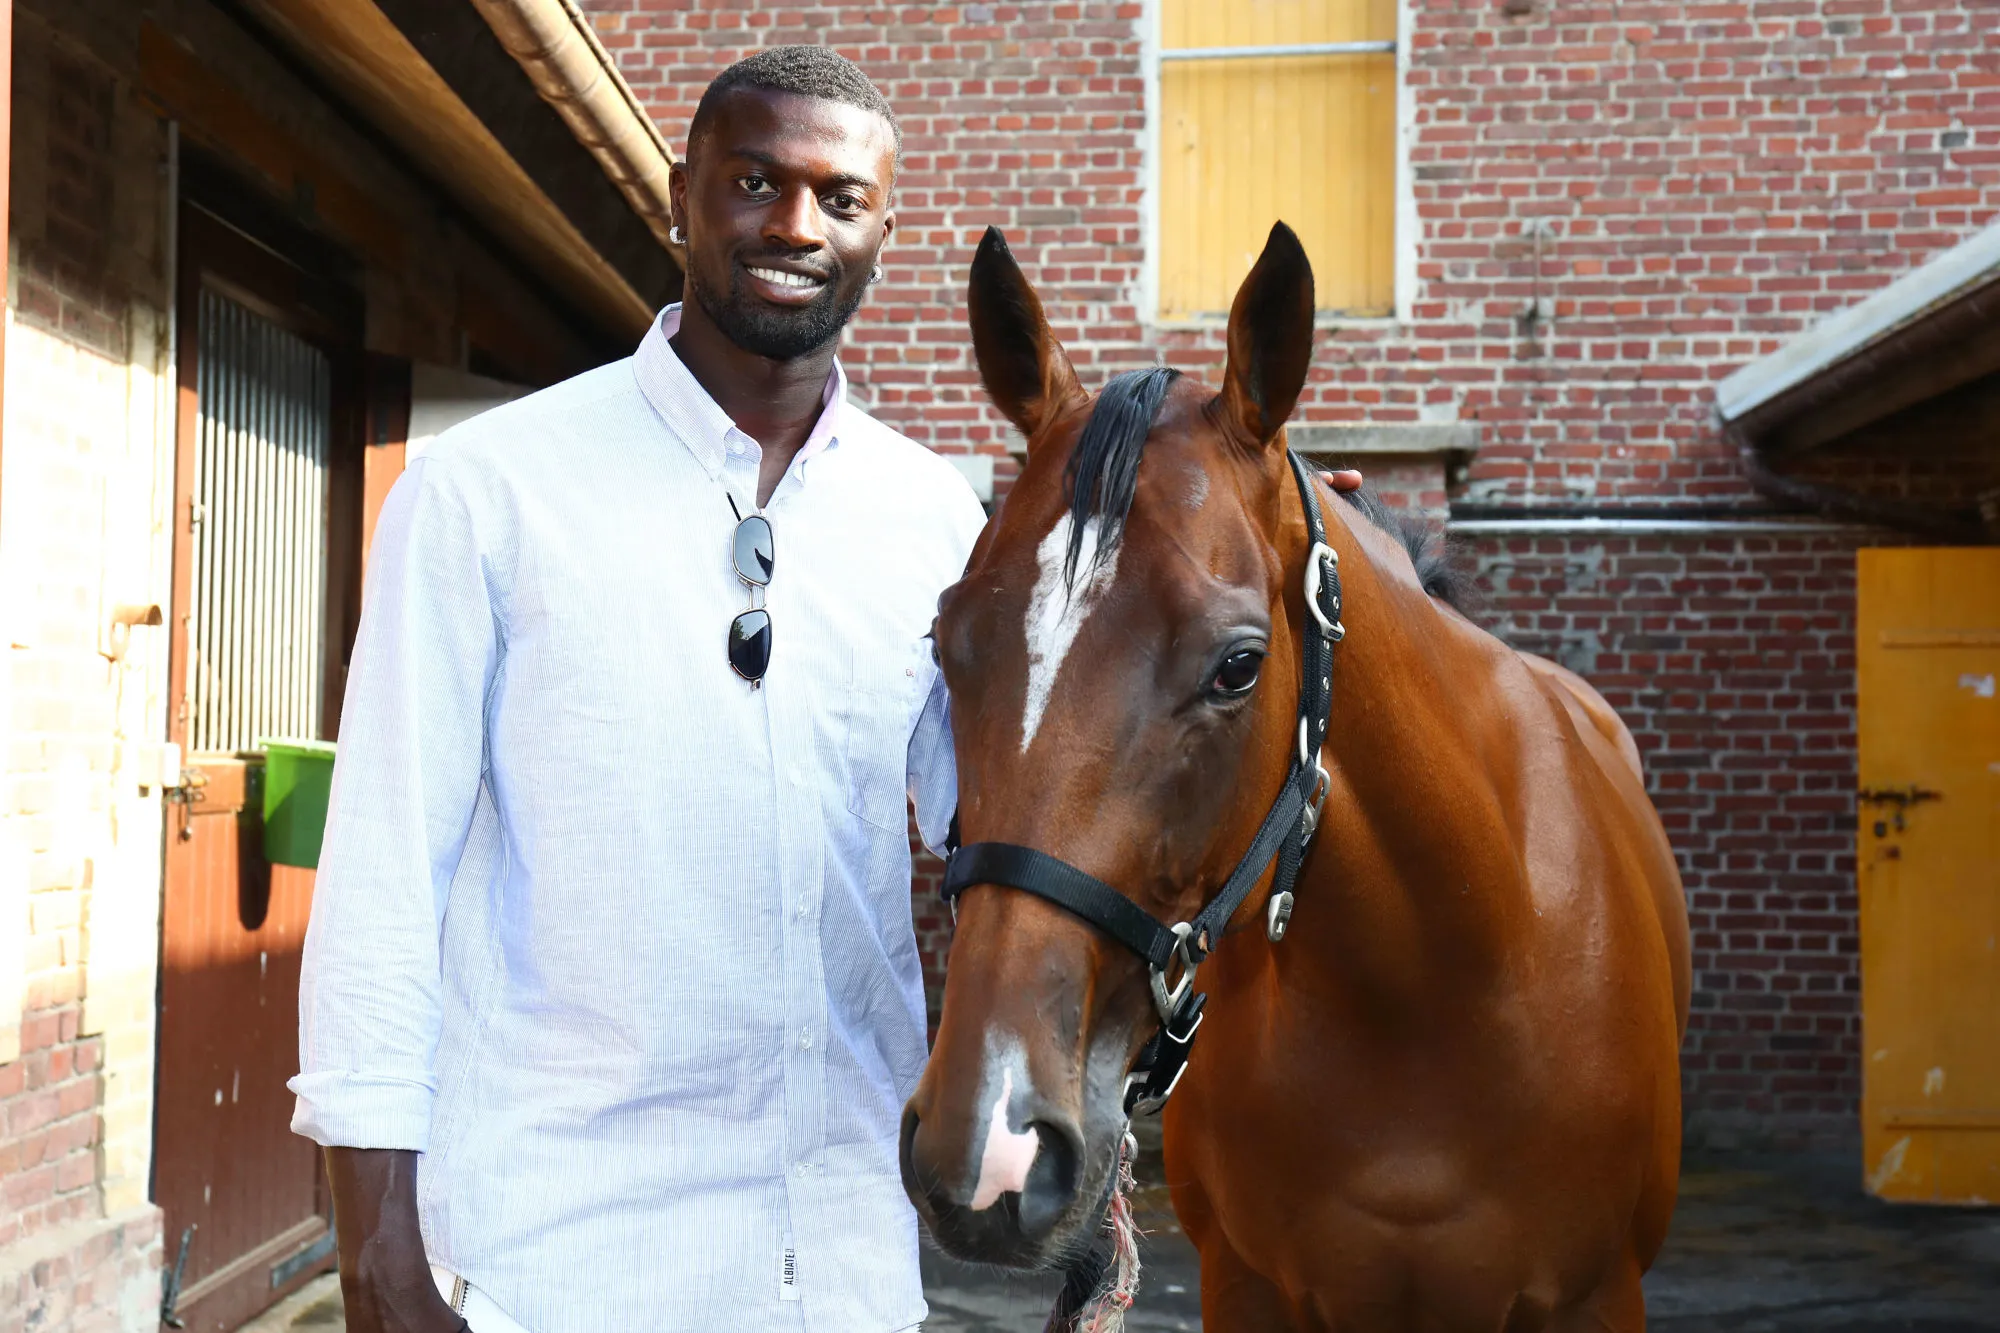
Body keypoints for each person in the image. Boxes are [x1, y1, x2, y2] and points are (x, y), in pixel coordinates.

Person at [292, 44, 1365, 1333]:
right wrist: (379, 1260)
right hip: (552, 1264)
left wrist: (1242, 569)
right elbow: (380, 888)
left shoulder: (935, 521)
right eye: (756, 181)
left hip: (843, 1269)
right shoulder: (487, 493)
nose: (796, 224)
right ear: (684, 197)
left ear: (883, 230)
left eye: (840, 199)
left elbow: (1014, 813)